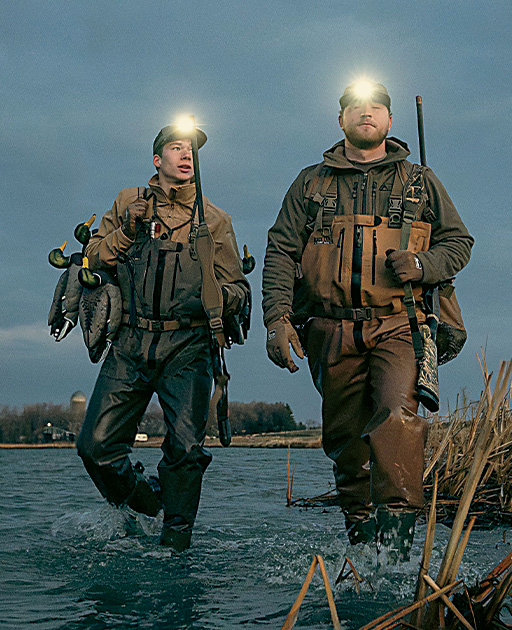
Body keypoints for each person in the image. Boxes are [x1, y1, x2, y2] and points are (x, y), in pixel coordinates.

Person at [261, 80, 474, 558]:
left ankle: (395, 557)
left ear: (390, 121)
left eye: (376, 106)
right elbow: (279, 253)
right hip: (329, 330)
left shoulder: (421, 182)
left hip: (401, 324)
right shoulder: (309, 183)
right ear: (340, 120)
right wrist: (277, 318)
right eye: (354, 106)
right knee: (346, 443)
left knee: (397, 420)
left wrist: (423, 266)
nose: (365, 112)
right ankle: (363, 551)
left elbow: (459, 243)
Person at [76, 122, 250, 552]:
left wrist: (219, 298)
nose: (186, 154)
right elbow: (93, 257)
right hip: (130, 342)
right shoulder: (126, 202)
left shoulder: (216, 220)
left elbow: (240, 290)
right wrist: (128, 232)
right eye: (176, 147)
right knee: (94, 446)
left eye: (191, 148)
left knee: (187, 451)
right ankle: (148, 503)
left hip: (188, 346)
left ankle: (176, 545)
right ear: (158, 159)